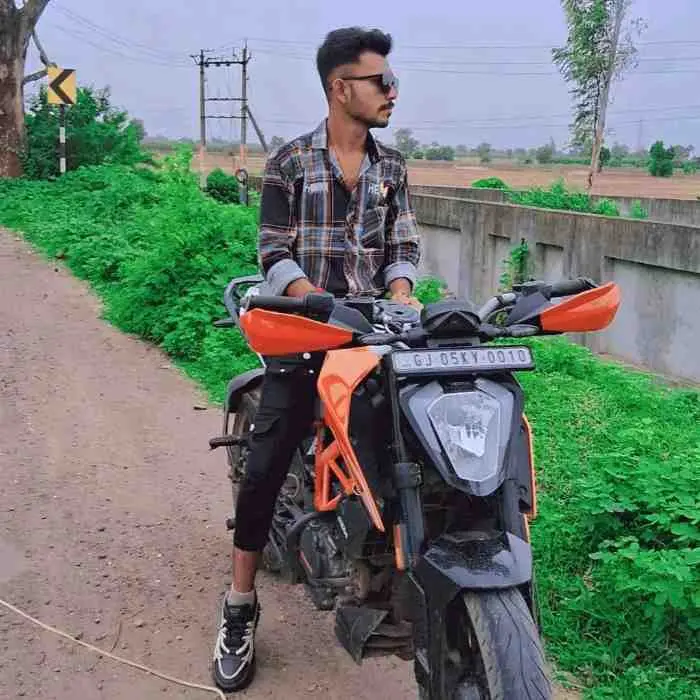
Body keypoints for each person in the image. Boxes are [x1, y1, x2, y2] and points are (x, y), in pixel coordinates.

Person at [212, 26, 421, 692]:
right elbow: (274, 253)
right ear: (340, 87)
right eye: (380, 81)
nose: (392, 91)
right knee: (266, 465)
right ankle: (239, 605)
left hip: (375, 339)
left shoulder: (393, 168)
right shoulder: (290, 163)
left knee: (410, 448)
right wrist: (318, 304)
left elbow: (402, 249)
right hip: (307, 334)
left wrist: (400, 293)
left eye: (391, 80)